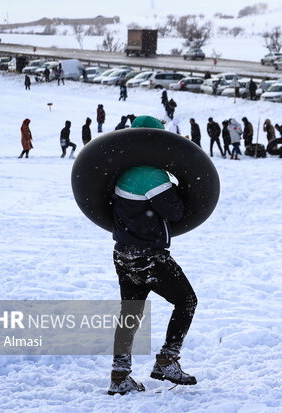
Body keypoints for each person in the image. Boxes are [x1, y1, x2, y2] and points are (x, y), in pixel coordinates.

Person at [108, 115, 197, 396]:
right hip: (148, 257)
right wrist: (178, 186)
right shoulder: (153, 176)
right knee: (186, 301)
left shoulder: (120, 172)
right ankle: (167, 361)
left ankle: (119, 375)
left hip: (123, 254)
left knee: (130, 314)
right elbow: (174, 212)